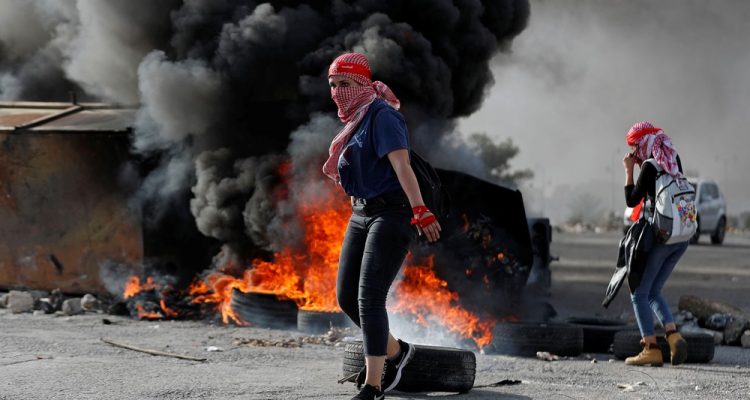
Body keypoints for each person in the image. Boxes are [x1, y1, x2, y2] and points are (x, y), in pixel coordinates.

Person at [323, 53, 442, 399]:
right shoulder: (354, 119)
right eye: (332, 84)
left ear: (362, 83)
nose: (337, 91)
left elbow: (402, 166)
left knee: (369, 298)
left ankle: (374, 386)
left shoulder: (383, 116)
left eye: (345, 83)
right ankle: (398, 353)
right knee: (346, 297)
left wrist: (420, 210)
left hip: (392, 213)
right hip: (361, 213)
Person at [622, 121, 689, 366]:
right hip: (681, 238)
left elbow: (632, 200)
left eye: (634, 147)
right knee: (654, 291)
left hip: (662, 237)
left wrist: (629, 169)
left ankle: (651, 347)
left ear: (642, 144)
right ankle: (673, 337)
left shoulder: (650, 166)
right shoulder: (673, 158)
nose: (634, 152)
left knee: (639, 293)